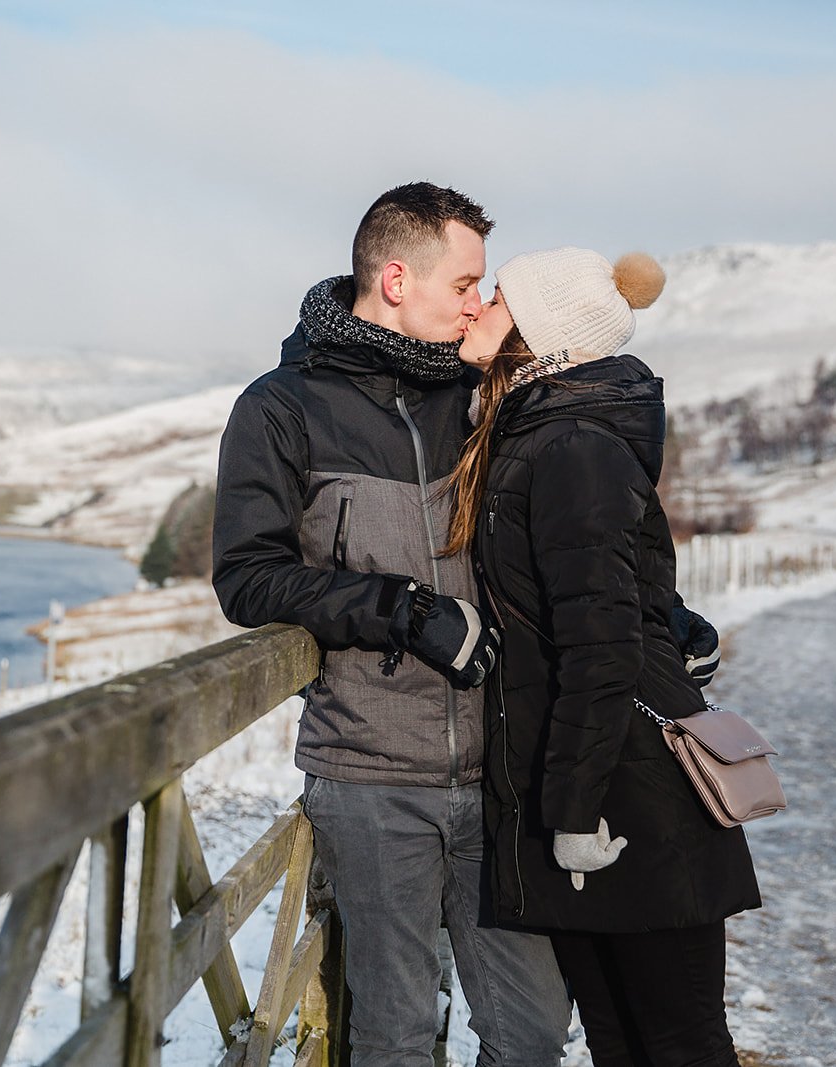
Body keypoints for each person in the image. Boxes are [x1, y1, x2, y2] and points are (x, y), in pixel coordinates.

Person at [212, 183, 572, 1066]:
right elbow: (248, 578)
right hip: (370, 777)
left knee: (531, 1034)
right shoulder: (280, 407)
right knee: (397, 1038)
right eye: (467, 284)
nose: (480, 304)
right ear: (400, 279)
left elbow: (564, 521)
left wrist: (656, 609)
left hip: (497, 775)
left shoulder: (480, 395)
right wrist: (400, 612)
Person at [446, 247, 761, 1067]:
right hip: (587, 790)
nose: (478, 306)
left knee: (680, 1042)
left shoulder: (570, 448)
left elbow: (603, 645)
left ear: (543, 336)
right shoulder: (534, 433)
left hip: (631, 803)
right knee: (623, 1041)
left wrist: (576, 811)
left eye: (500, 298)